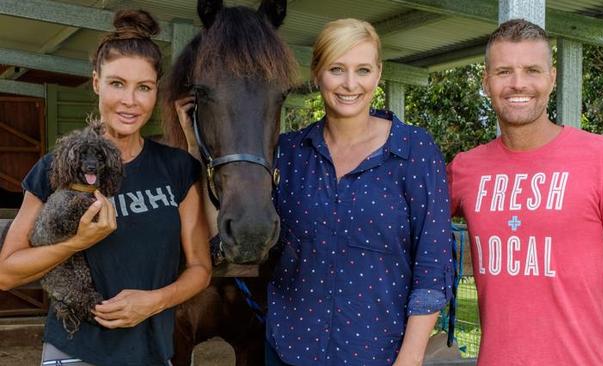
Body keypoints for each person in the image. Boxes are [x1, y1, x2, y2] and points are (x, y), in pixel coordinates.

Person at [0, 9, 212, 366]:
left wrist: (154, 301)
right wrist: (76, 243)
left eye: (143, 87)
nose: (130, 101)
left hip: (154, 353)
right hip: (73, 352)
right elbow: (6, 273)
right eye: (117, 83)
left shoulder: (178, 169)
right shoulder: (54, 168)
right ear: (96, 82)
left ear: (155, 91)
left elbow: (200, 270)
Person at [447, 19, 603, 366]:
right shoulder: (466, 169)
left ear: (552, 78)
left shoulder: (602, 158)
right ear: (486, 81)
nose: (518, 83)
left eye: (532, 70)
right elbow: (405, 236)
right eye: (504, 71)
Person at [262, 19, 454, 366]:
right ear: (317, 73)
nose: (350, 84)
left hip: (378, 354)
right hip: (289, 351)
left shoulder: (414, 151)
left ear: (378, 74)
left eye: (363, 69)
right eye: (337, 69)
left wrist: (410, 358)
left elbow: (432, 265)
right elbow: (238, 236)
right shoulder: (288, 153)